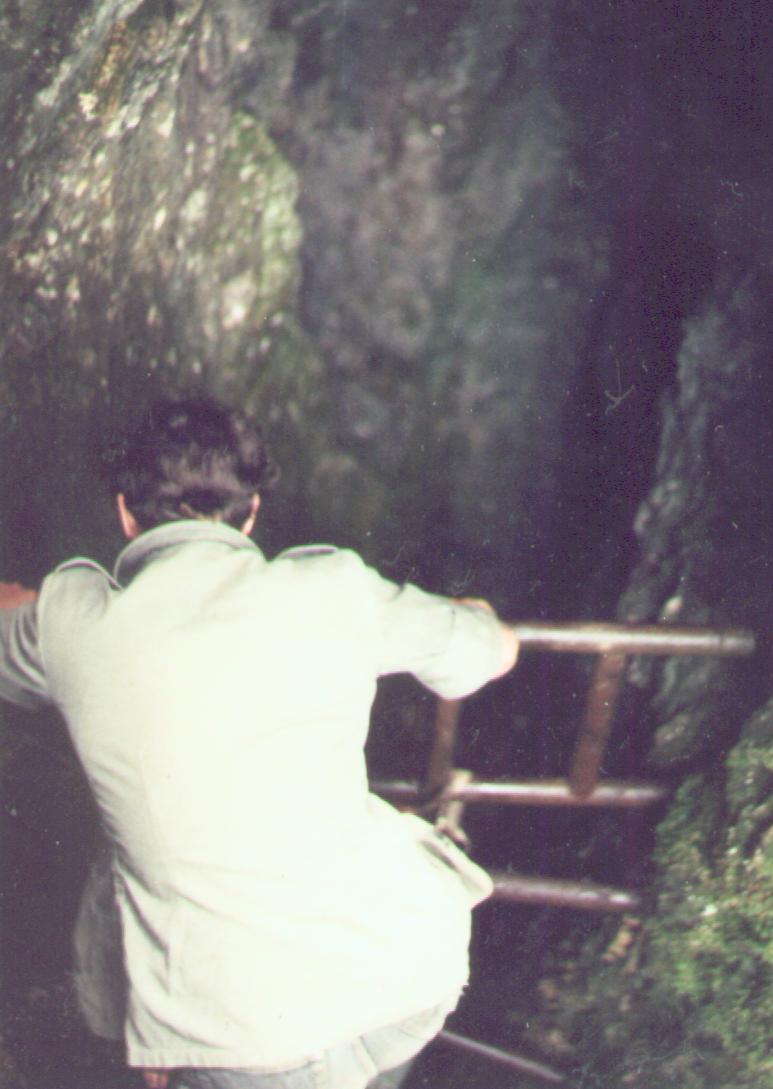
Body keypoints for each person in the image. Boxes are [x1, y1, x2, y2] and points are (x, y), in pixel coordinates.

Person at [0, 396, 519, 1089]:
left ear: (125, 513)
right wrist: (469, 614)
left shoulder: (70, 624)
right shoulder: (333, 590)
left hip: (230, 1033)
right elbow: (491, 651)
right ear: (250, 514)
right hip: (400, 969)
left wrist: (35, 606)